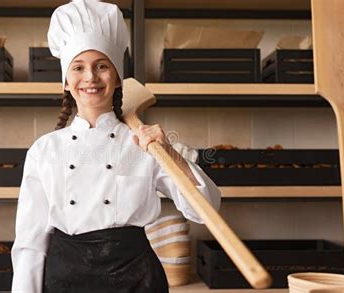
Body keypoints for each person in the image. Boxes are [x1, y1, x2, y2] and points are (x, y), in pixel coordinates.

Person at [11, 1, 221, 292]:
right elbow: (30, 243)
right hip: (64, 279)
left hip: (136, 278)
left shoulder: (145, 144)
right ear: (66, 81)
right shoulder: (44, 151)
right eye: (78, 67)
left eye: (101, 66)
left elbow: (206, 209)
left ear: (117, 76)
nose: (90, 78)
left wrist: (171, 154)